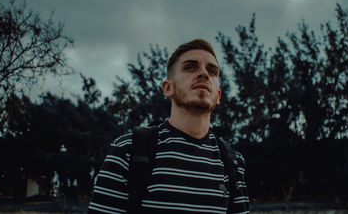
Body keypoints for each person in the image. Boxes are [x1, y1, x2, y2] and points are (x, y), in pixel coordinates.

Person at [88, 39, 249, 213]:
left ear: (218, 96)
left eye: (212, 71)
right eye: (190, 67)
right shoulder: (129, 149)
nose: (204, 74)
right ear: (168, 88)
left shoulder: (232, 162)